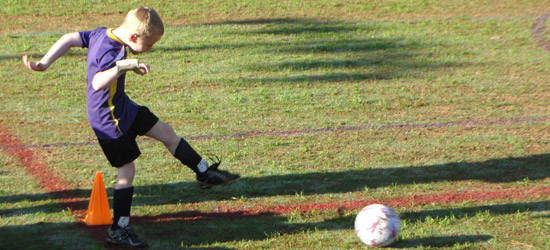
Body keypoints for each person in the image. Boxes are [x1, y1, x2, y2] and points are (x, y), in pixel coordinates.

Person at [22, 6, 240, 248]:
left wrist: (44, 63)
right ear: (134, 37)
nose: (149, 49)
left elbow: (70, 38)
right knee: (127, 170)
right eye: (147, 45)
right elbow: (97, 83)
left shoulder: (102, 33)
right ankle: (119, 228)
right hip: (108, 119)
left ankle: (203, 172)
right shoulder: (113, 51)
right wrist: (122, 66)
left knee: (166, 132)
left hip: (123, 108)